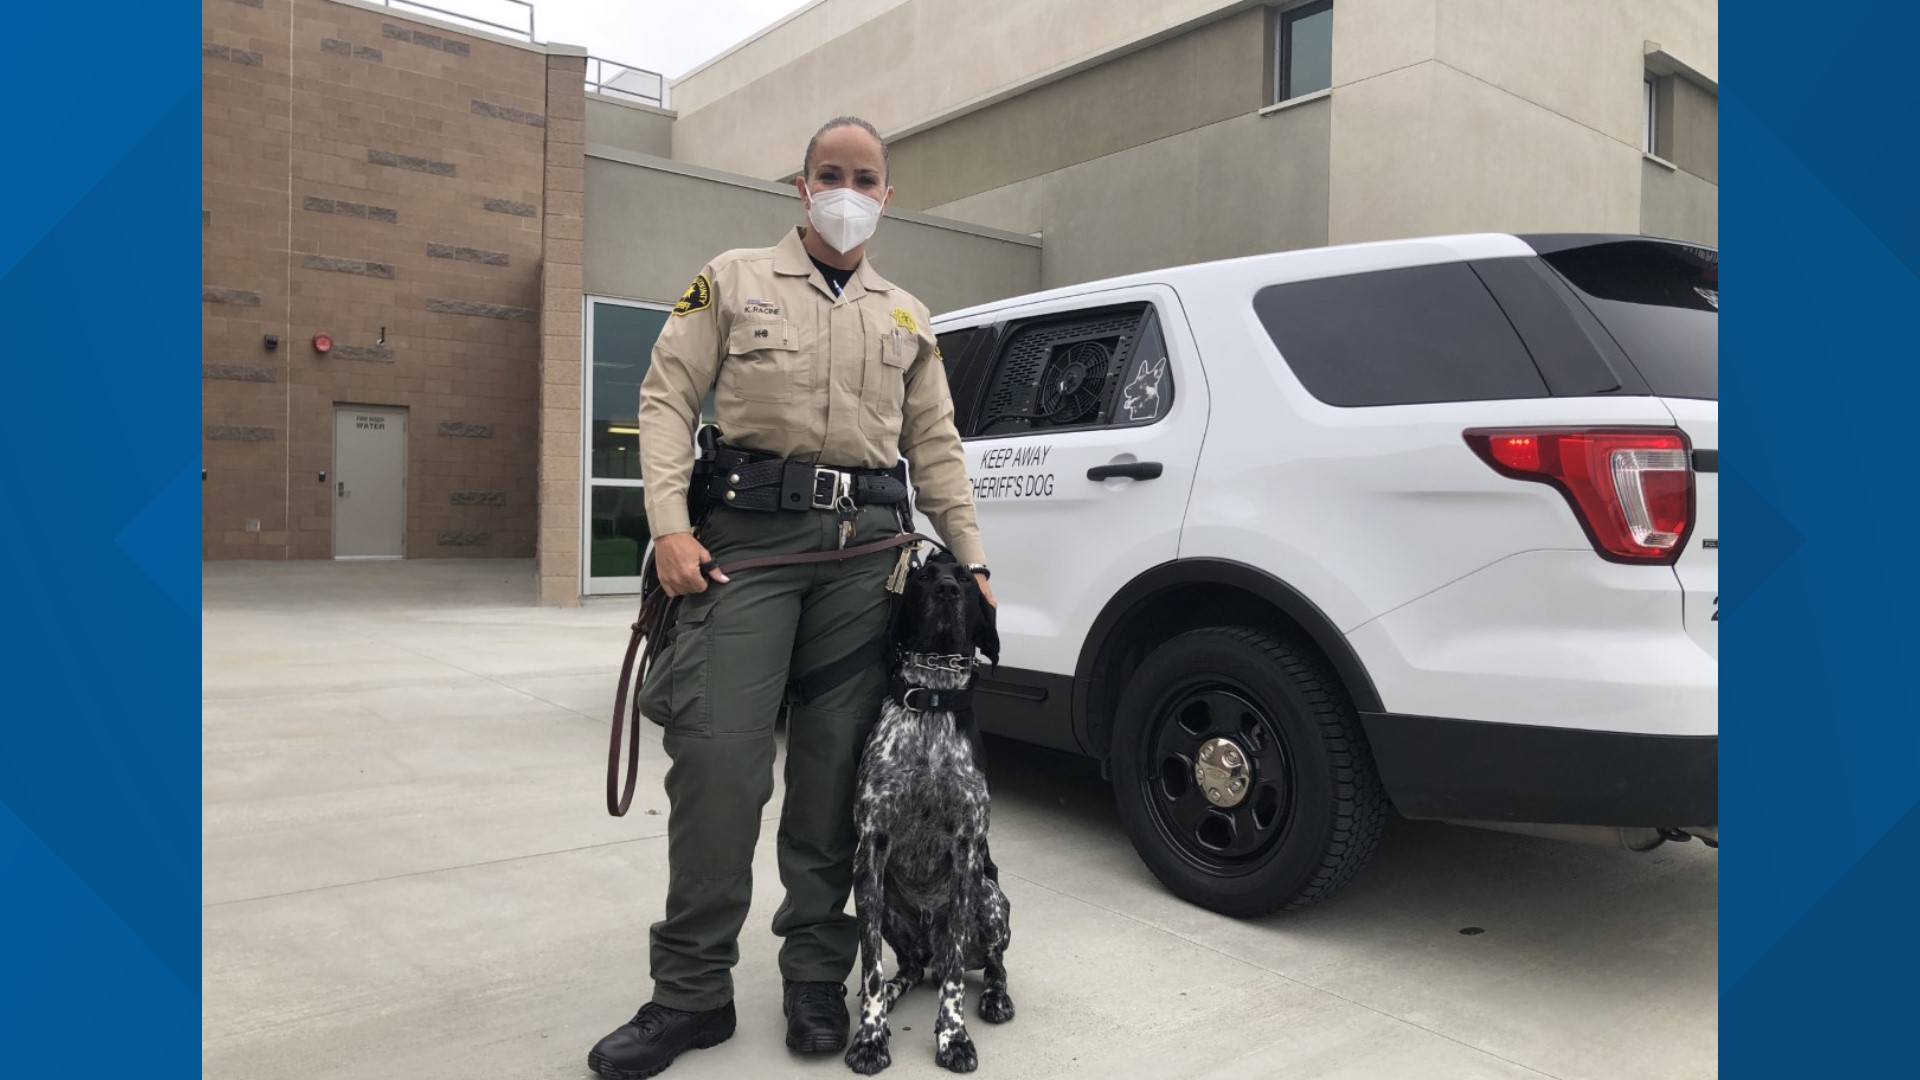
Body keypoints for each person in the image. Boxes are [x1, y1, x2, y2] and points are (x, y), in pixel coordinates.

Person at [588, 116, 994, 1078]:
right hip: (747, 548)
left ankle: (817, 973)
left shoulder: (908, 316)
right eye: (829, 174)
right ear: (800, 185)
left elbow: (934, 447)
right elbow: (664, 398)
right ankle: (691, 991)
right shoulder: (729, 279)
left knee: (833, 773)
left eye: (865, 177)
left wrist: (971, 559)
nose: (846, 191)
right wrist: (669, 525)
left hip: (865, 561)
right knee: (720, 760)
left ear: (886, 195)